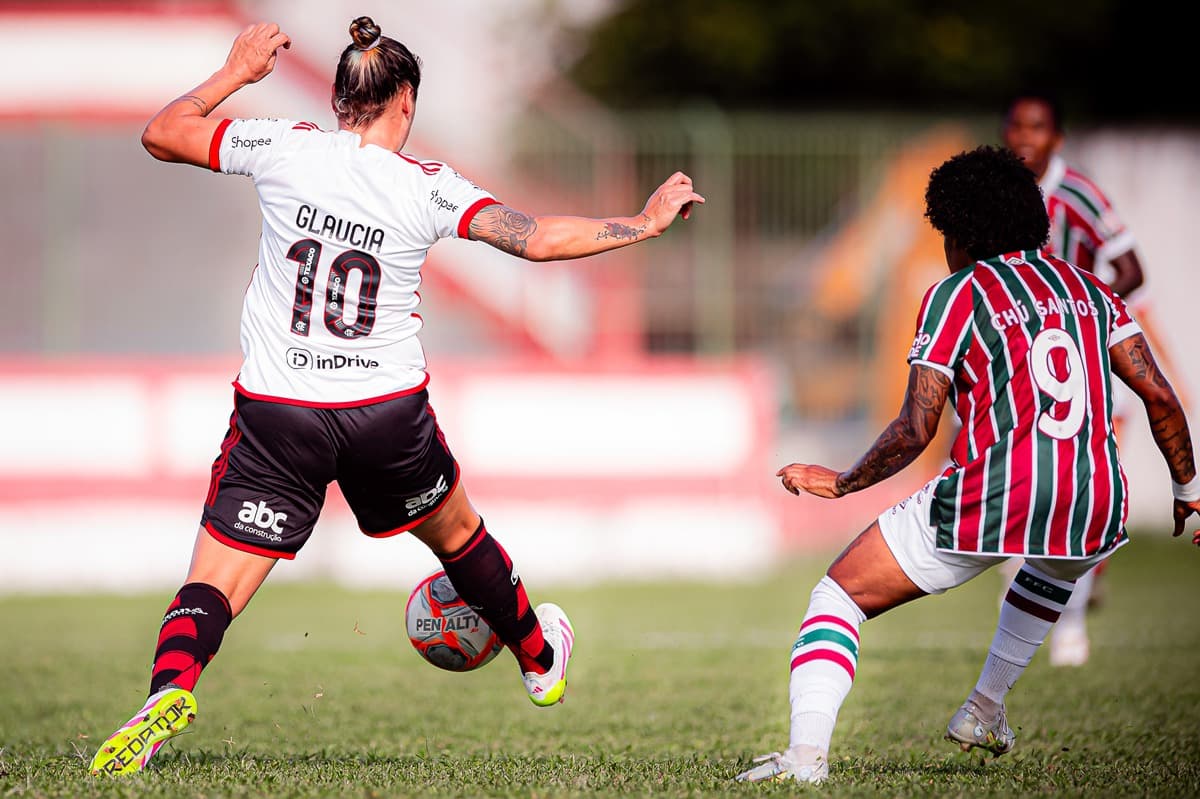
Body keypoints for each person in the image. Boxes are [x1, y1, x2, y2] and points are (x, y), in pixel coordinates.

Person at [89, 18, 704, 777]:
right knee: (458, 535)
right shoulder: (429, 186)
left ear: (341, 98)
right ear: (404, 101)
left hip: (280, 409)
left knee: (214, 579)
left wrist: (235, 73)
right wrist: (642, 225)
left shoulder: (282, 144)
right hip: (386, 412)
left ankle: (168, 689)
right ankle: (540, 659)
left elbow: (163, 132)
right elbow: (538, 238)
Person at [735, 145, 1198, 785]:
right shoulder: (1093, 292)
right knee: (1056, 554)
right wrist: (1187, 487)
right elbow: (1161, 398)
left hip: (997, 489)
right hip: (1095, 497)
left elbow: (915, 427)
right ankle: (985, 708)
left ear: (961, 232)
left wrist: (841, 483)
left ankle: (804, 759)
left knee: (837, 596)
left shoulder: (958, 293)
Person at [998, 89, 1187, 665]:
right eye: (1017, 127)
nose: (1026, 138)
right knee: (1033, 493)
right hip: (1026, 362)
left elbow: (1131, 267)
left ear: (1056, 137)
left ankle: (1072, 624)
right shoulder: (1001, 192)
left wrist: (1080, 310)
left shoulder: (1077, 194)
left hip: (1084, 368)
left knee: (1082, 494)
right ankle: (1051, 594)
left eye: (1038, 128)